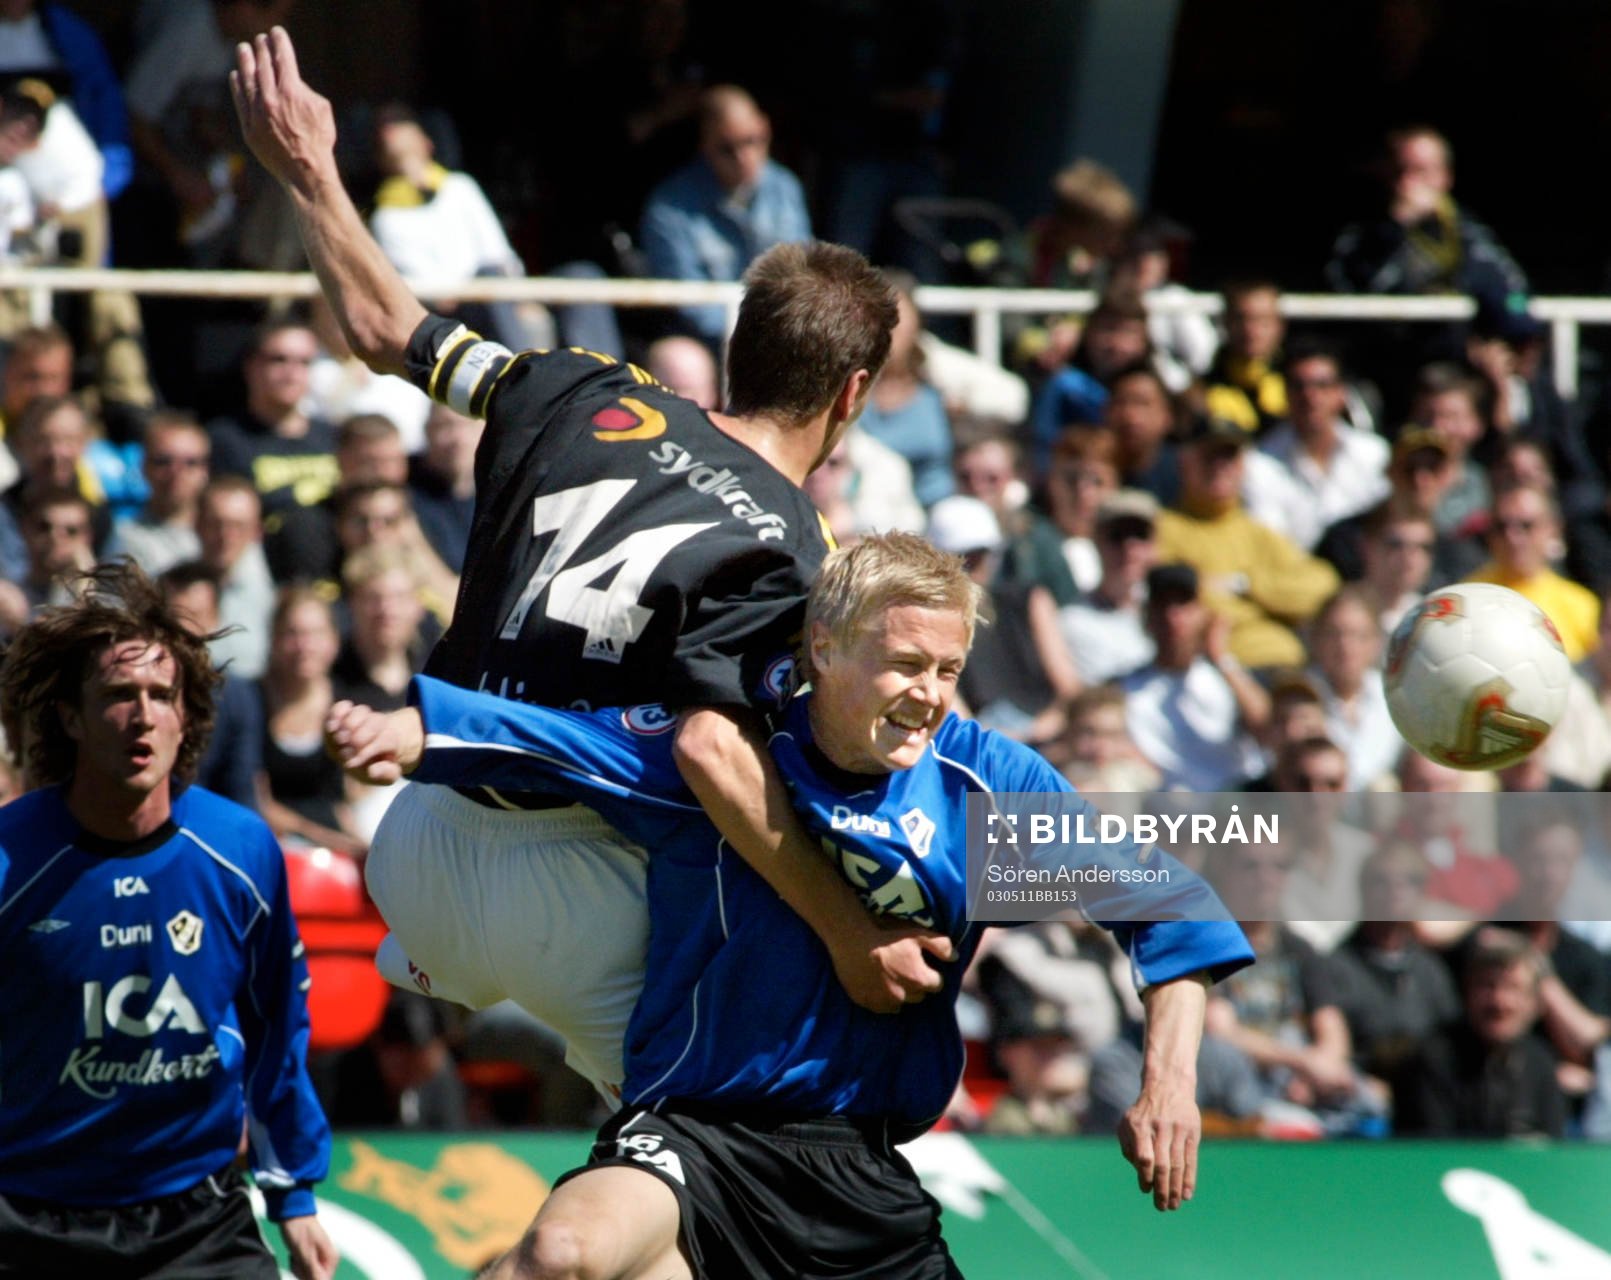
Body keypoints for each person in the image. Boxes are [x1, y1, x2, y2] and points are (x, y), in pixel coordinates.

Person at [232, 28, 943, 1095]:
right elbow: (714, 748)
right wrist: (851, 929)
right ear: (850, 396)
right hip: (564, 888)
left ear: (739, 338)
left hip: (414, 837)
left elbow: (384, 327)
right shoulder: (801, 548)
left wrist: (311, 168)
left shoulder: (573, 382)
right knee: (721, 1157)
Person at [325, 532, 1254, 1277]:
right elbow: (543, 742)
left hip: (864, 1180)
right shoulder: (728, 757)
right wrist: (404, 730)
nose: (928, 697)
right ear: (823, 646)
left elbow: (1166, 902)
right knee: (564, 1252)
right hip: (700, 1138)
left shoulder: (981, 792)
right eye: (902, 665)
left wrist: (1167, 1086)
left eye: (947, 668)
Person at [0, 560, 336, 1279]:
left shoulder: (241, 849)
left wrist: (294, 1193)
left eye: (162, 694)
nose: (143, 714)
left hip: (198, 1218)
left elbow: (277, 1024)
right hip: (29, 1219)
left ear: (187, 717)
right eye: (119, 695)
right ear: (70, 717)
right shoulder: (9, 862)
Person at [639, 84, 813, 347]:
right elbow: (688, 301)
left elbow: (803, 274)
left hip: (780, 337)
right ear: (704, 144)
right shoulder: (668, 206)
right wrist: (749, 337)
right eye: (727, 148)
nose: (744, 156)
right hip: (703, 342)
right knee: (680, 364)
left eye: (752, 140)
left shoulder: (785, 188)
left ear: (765, 127)